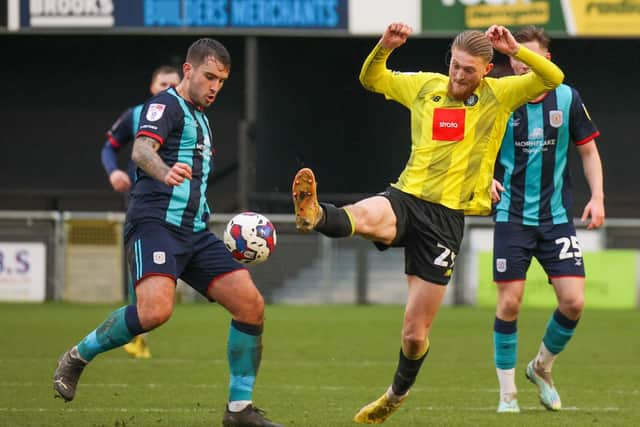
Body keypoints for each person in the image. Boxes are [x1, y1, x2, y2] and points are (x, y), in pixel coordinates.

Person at [292, 22, 564, 424]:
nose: (458, 75)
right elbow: (371, 79)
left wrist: (515, 50)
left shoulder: (500, 96)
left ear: (487, 71)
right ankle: (315, 215)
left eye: (468, 70)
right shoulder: (425, 86)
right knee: (367, 215)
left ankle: (394, 395)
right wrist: (384, 47)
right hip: (407, 197)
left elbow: (552, 77)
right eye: (455, 65)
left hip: (445, 221)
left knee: (414, 335)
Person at [54, 38, 283, 427]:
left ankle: (239, 411)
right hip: (155, 225)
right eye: (209, 76)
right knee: (155, 311)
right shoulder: (166, 106)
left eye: (222, 81)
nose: (215, 86)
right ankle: (77, 356)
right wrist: (164, 171)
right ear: (189, 71)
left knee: (251, 306)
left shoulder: (202, 118)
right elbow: (141, 150)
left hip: (194, 232)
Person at [490, 26, 605, 413]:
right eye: (516, 56)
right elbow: (474, 149)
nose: (522, 63)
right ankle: (507, 395)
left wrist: (598, 196)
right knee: (510, 303)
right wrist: (483, 178)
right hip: (512, 217)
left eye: (530, 55)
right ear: (508, 61)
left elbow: (588, 152)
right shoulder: (497, 99)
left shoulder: (567, 97)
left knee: (573, 302)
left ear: (546, 61)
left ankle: (541, 367)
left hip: (556, 219)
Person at [101, 65, 181, 359]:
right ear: (152, 86)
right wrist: (113, 173)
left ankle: (140, 328)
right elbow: (109, 147)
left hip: (177, 205)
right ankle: (137, 334)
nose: (167, 89)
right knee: (139, 267)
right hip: (143, 202)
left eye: (173, 84)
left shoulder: (188, 116)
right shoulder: (136, 115)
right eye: (163, 83)